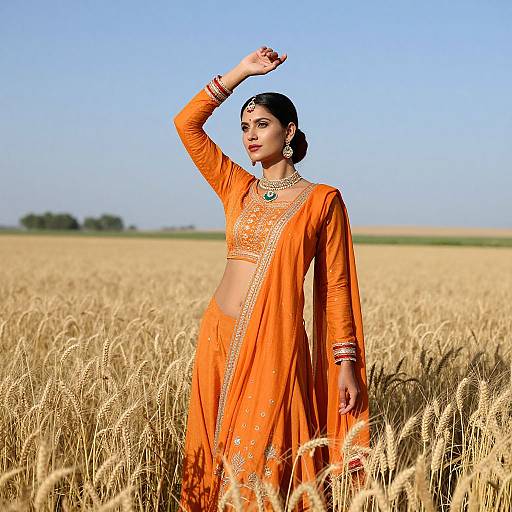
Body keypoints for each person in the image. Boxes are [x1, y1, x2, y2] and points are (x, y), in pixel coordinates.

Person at [173, 46, 369, 511]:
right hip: (218, 335)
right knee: (212, 452)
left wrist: (345, 361)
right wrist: (240, 72)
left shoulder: (322, 201)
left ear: (289, 131)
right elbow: (186, 125)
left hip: (275, 343)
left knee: (258, 461)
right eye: (244, 127)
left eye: (261, 124)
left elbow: (337, 286)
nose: (250, 136)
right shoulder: (236, 187)